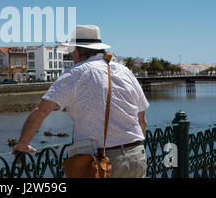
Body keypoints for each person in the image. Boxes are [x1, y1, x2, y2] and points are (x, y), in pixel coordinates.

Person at [13, 25, 149, 178]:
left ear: (77, 52)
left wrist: (23, 144)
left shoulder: (76, 73)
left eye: (72, 53)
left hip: (101, 162)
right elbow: (142, 121)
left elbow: (41, 111)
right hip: (137, 155)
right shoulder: (124, 71)